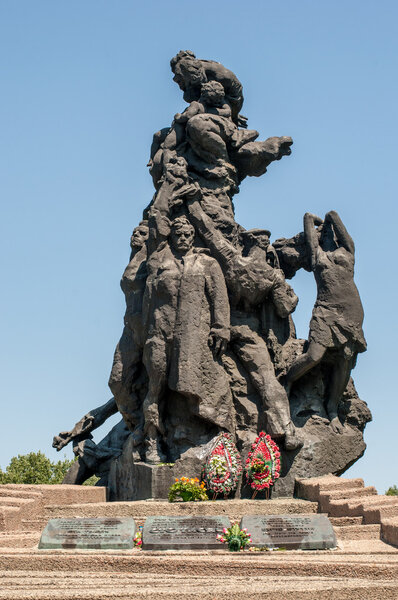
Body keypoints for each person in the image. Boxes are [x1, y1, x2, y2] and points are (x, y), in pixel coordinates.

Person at [186, 192, 302, 450]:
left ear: (248, 244)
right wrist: (291, 294)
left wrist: (191, 202)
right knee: (266, 378)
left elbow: (206, 229)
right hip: (250, 330)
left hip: (220, 326)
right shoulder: (272, 276)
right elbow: (285, 308)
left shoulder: (233, 259)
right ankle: (286, 429)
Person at [142, 215, 233, 463]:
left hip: (193, 336)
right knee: (155, 388)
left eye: (186, 235)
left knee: (203, 381)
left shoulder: (207, 263)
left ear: (193, 237)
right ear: (172, 236)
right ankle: (152, 440)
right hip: (159, 335)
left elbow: (219, 298)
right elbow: (148, 303)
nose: (182, 238)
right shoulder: (161, 264)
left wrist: (221, 327)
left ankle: (211, 431)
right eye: (177, 234)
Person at [284, 211, 367, 433]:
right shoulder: (317, 257)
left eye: (331, 233)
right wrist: (314, 221)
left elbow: (344, 233)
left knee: (345, 359)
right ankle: (287, 381)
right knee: (314, 355)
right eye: (324, 234)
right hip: (325, 310)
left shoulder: (347, 252)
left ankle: (332, 409)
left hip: (351, 313)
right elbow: (308, 219)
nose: (329, 235)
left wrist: (331, 217)